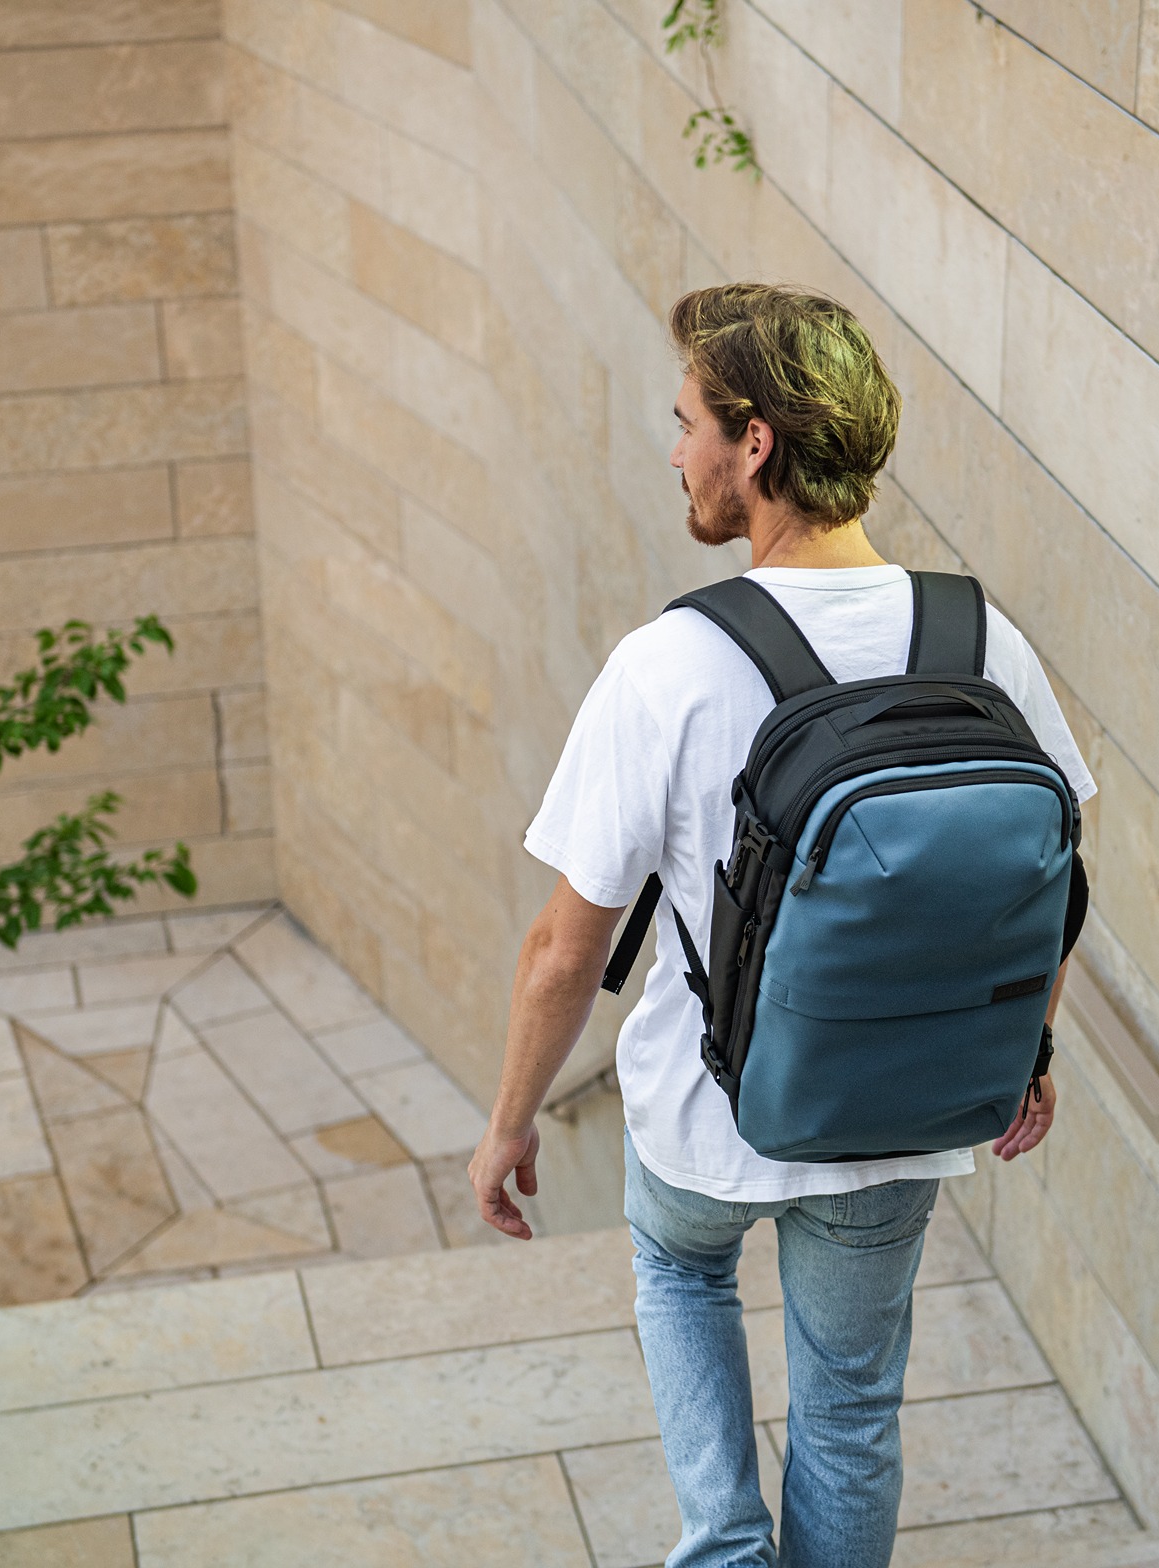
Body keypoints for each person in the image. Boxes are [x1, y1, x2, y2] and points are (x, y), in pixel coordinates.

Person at [468, 282, 1097, 1567]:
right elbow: (1052, 876)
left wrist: (510, 1120)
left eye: (687, 422)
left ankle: (721, 1545)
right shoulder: (983, 640)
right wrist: (1024, 1050)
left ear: (752, 443)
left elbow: (563, 950)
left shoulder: (669, 663)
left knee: (680, 1273)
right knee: (851, 1408)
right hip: (903, 1117)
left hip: (712, 1115)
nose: (675, 452)